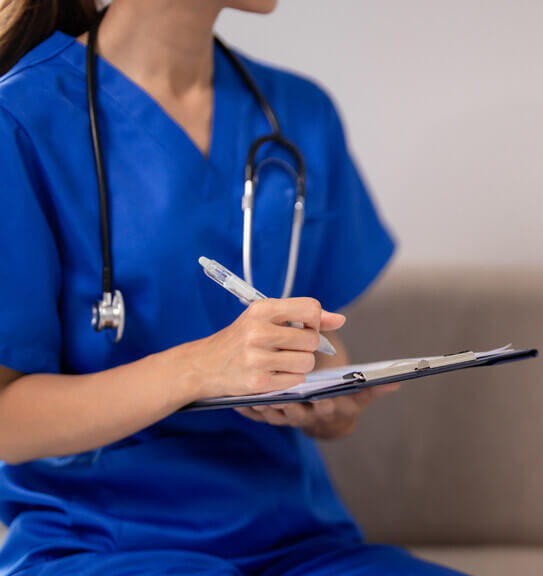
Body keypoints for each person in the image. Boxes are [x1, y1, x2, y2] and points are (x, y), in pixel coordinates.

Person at [0, 1, 462, 574]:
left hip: (299, 543)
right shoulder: (20, 118)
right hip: (105, 544)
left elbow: (314, 339)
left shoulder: (298, 113)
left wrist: (328, 401)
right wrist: (202, 368)